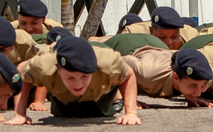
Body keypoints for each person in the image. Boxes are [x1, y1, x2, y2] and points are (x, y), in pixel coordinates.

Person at [8, 36, 140, 124]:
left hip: (100, 98)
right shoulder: (44, 65)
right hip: (64, 102)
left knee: (101, 111)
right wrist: (19, 114)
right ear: (57, 69)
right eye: (70, 77)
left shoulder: (108, 63)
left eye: (84, 76)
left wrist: (131, 113)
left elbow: (129, 75)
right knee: (64, 114)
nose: (78, 84)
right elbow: (21, 71)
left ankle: (115, 98)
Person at [123, 43, 213, 107]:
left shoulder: (207, 76)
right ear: (176, 77)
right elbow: (118, 64)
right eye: (192, 86)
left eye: (203, 85)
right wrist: (125, 98)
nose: (198, 93)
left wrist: (192, 96)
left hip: (164, 50)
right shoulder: (147, 72)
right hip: (132, 47)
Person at [122, 6, 199, 49]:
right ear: (151, 31)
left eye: (174, 37)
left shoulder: (191, 37)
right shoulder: (132, 36)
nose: (169, 43)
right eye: (162, 37)